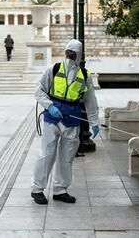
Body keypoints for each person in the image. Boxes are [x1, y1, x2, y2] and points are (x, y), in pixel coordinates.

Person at [31, 39, 100, 205]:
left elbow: (91, 100)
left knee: (66, 157)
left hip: (72, 120)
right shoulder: (53, 70)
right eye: (68, 52)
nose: (70, 56)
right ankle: (37, 189)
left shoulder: (84, 75)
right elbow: (39, 92)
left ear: (79, 56)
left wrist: (94, 121)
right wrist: (50, 106)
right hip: (52, 119)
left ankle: (60, 190)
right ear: (65, 52)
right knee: (47, 154)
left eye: (73, 54)